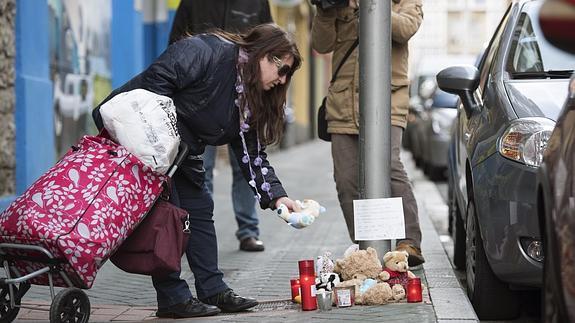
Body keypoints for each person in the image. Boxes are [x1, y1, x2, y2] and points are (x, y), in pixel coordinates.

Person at [93, 23, 302, 318]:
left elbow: (252, 156)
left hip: (181, 152)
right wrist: (164, 143)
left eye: (288, 75)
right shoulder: (206, 52)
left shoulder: (249, 98)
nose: (282, 81)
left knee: (200, 211)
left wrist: (279, 198)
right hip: (138, 137)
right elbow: (154, 85)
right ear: (264, 55)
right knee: (168, 217)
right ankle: (173, 298)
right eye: (282, 70)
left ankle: (214, 289)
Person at [311, 0, 426, 267]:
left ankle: (409, 241)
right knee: (347, 178)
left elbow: (405, 28)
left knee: (390, 168)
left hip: (386, 101)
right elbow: (321, 44)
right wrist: (325, 10)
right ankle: (365, 244)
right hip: (342, 104)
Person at [168, 0, 273, 252]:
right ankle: (196, 231)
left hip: (244, 97)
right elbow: (176, 44)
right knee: (200, 168)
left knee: (244, 166)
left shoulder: (256, 2)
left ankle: (248, 231)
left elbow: (268, 43)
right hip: (202, 100)